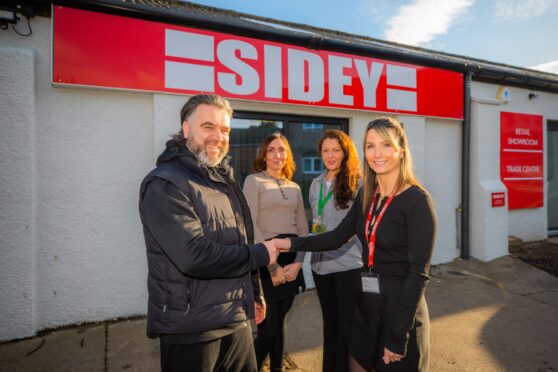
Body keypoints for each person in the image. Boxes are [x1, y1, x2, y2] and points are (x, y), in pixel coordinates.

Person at [275, 117, 437, 372]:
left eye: (385, 145)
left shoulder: (417, 201)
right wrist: (288, 242)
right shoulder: (367, 195)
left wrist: (397, 337)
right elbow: (337, 236)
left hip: (399, 310)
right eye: (370, 146)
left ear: (400, 151)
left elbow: (418, 275)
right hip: (367, 303)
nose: (377, 153)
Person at [138, 94, 279, 372]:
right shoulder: (165, 184)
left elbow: (240, 238)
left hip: (235, 321)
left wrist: (253, 294)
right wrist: (262, 254)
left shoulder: (222, 179)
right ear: (186, 129)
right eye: (208, 127)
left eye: (225, 130)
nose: (218, 136)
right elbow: (193, 256)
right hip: (192, 332)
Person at [242, 133, 309, 372]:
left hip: (292, 257)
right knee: (269, 323)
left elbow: (303, 228)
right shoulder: (253, 181)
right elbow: (251, 225)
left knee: (279, 320)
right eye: (271, 150)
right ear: (263, 153)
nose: (277, 155)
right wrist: (273, 266)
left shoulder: (295, 186)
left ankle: (278, 368)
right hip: (266, 257)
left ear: (287, 155)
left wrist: (298, 263)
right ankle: (249, 366)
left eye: (282, 150)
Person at [309, 129, 363, 372]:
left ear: (345, 152)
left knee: (347, 329)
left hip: (347, 266)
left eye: (336, 150)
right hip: (320, 267)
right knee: (329, 327)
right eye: (325, 150)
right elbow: (316, 223)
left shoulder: (357, 183)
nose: (330, 155)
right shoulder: (315, 184)